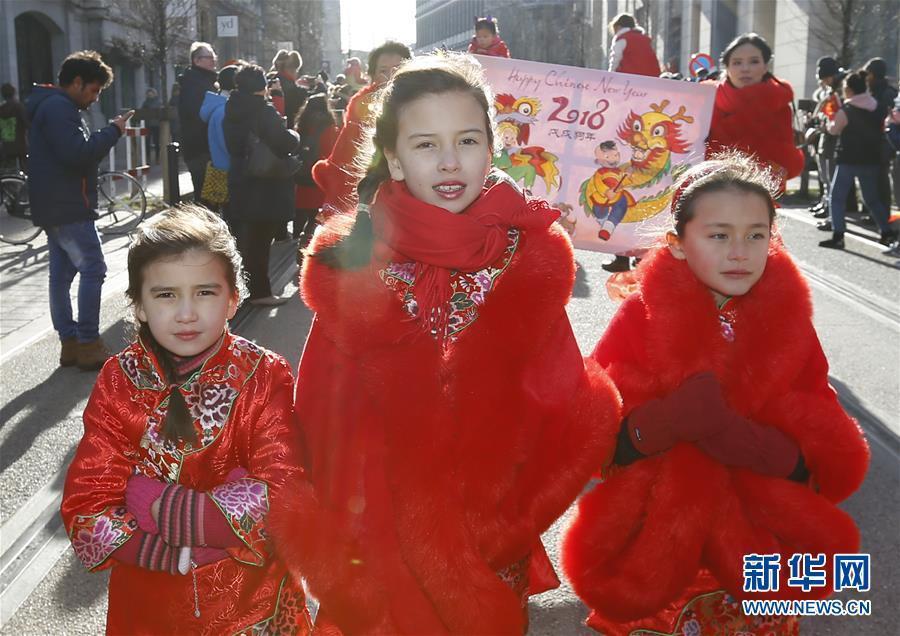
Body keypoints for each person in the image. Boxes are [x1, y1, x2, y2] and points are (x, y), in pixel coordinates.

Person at [268, 54, 621, 634]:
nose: (451, 161)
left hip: (488, 536)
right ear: (394, 158)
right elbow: (321, 416)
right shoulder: (351, 266)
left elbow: (562, 402)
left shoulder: (525, 260)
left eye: (468, 140)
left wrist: (508, 513)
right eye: (427, 144)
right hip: (375, 540)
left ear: (491, 148)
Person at [562, 153, 869, 635]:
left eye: (756, 235)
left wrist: (758, 446)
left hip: (758, 545)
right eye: (719, 235)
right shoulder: (640, 318)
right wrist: (663, 422)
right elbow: (592, 433)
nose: (739, 252)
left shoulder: (790, 327)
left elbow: (827, 446)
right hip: (658, 535)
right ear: (678, 243)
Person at [60, 206, 313, 634]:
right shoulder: (119, 380)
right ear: (138, 305)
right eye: (165, 295)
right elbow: (86, 505)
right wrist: (167, 550)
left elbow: (286, 491)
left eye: (205, 292)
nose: (186, 313)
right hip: (149, 606)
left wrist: (166, 509)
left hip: (251, 606)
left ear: (234, 298)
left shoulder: (262, 374)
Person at [26, 51, 132, 370]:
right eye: (94, 90)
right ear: (76, 82)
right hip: (68, 205)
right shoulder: (60, 108)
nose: (95, 98)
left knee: (60, 275)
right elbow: (77, 154)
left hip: (53, 203)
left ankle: (70, 344)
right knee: (93, 268)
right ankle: (87, 342)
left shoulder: (52, 105)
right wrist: (113, 131)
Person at [223, 63, 300, 306]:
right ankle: (260, 292)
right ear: (262, 87)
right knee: (259, 242)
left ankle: (240, 290)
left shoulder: (231, 108)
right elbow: (284, 142)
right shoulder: (262, 111)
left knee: (243, 240)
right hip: (264, 183)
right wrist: (294, 135)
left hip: (240, 179)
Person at [311, 40, 412, 215]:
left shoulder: (424, 100)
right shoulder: (361, 104)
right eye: (383, 71)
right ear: (372, 75)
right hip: (371, 193)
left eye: (399, 68)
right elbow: (345, 155)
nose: (391, 76)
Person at [706, 33, 805, 194]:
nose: (745, 69)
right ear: (727, 67)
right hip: (709, 190)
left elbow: (784, 162)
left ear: (765, 66)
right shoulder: (705, 98)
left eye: (754, 61)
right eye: (737, 62)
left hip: (758, 193)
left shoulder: (778, 103)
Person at [819, 70, 897, 249]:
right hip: (871, 159)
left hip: (848, 159)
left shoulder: (846, 110)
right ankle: (886, 231)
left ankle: (838, 235)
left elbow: (833, 130)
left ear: (849, 90)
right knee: (871, 198)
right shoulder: (877, 106)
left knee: (837, 197)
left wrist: (828, 122)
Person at [293, 93, 340, 245]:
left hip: (302, 174)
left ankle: (295, 240)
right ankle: (307, 244)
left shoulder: (302, 124)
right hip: (320, 176)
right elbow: (331, 153)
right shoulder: (329, 127)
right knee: (316, 216)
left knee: (300, 213)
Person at [178, 42, 218, 201]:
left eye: (214, 57)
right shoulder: (194, 83)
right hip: (200, 148)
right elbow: (197, 114)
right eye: (209, 57)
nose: (213, 61)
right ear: (196, 60)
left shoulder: (205, 80)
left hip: (206, 147)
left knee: (211, 197)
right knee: (206, 198)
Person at [808, 57, 844, 221]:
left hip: (833, 138)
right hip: (826, 138)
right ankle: (827, 207)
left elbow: (837, 115)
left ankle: (832, 215)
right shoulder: (832, 91)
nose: (824, 82)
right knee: (826, 178)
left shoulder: (839, 91)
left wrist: (824, 124)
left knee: (831, 180)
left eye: (825, 78)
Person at [198, 64, 239, 210]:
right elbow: (228, 144)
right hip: (229, 173)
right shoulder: (224, 111)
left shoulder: (218, 107)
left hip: (220, 168)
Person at [863, 57, 898, 211]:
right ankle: (875, 211)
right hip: (874, 140)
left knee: (881, 178)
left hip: (884, 141)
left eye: (868, 73)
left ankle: (883, 211)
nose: (866, 77)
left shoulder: (886, 93)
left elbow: (887, 116)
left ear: (874, 74)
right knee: (874, 178)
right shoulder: (875, 91)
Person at [607, 13, 661, 77]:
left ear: (618, 27)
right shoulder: (644, 39)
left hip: (630, 77)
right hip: (650, 76)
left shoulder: (622, 38)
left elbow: (615, 59)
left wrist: (610, 75)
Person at [0, 83, 29, 170]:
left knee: (7, 171)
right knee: (25, 171)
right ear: (14, 93)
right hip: (20, 146)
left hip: (5, 147)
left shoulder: (1, 109)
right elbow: (27, 123)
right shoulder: (19, 107)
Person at [140, 87, 162, 163]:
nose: (150, 95)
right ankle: (147, 158)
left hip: (156, 125)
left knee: (156, 142)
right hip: (148, 124)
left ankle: (157, 158)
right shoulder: (145, 103)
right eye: (148, 94)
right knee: (147, 142)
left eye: (151, 93)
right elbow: (142, 112)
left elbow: (160, 112)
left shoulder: (158, 102)